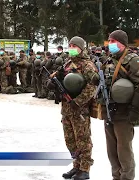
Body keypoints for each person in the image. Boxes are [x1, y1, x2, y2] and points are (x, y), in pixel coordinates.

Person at [100, 30, 139, 180]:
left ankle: (126, 177)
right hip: (109, 109)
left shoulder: (133, 60)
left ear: (122, 43)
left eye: (113, 41)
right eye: (109, 41)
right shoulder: (109, 59)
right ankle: (116, 176)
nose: (110, 44)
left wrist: (134, 109)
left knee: (124, 150)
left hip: (125, 111)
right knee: (112, 150)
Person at [49, 36, 98, 180]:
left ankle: (85, 168)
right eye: (69, 45)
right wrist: (52, 83)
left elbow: (92, 86)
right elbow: (56, 78)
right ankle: (76, 165)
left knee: (83, 138)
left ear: (81, 48)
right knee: (70, 139)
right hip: (66, 108)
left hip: (79, 109)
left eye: (74, 46)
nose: (71, 48)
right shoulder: (67, 64)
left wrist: (78, 101)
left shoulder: (87, 65)